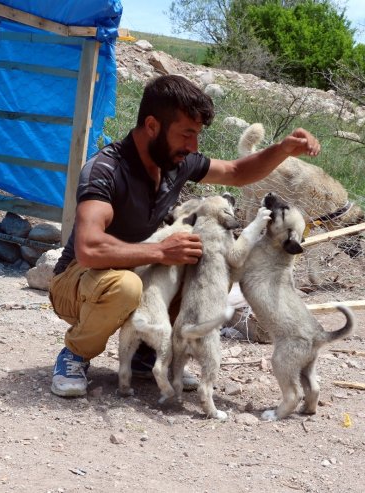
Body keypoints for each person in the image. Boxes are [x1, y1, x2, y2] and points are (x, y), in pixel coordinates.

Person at [48, 74, 320, 397]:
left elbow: (236, 172)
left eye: (197, 135)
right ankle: (75, 354)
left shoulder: (176, 162)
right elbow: (89, 247)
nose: (194, 146)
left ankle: (146, 354)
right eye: (187, 134)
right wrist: (161, 252)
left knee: (208, 261)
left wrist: (283, 150)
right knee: (127, 286)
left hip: (135, 269)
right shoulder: (107, 170)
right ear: (152, 126)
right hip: (77, 279)